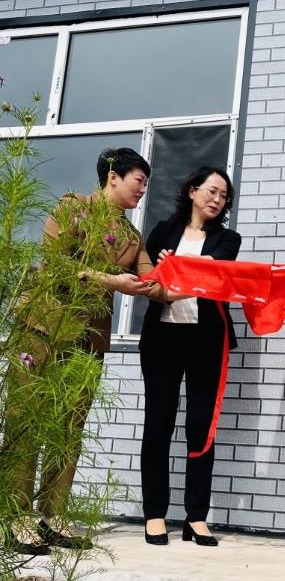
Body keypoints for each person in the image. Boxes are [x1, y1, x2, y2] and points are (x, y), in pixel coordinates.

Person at [1, 147, 169, 555]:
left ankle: (52, 517)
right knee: (28, 419)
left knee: (68, 429)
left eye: (146, 183)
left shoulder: (131, 237)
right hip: (43, 327)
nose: (142, 190)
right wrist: (113, 281)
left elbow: (154, 285)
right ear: (113, 177)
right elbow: (56, 265)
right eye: (139, 181)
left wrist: (182, 274)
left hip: (88, 341)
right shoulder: (72, 206)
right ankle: (15, 518)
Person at [139, 167, 241, 547]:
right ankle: (155, 514)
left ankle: (196, 517)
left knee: (201, 428)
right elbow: (148, 279)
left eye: (224, 196)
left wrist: (175, 266)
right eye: (212, 191)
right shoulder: (163, 231)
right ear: (193, 191)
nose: (217, 200)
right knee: (158, 425)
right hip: (162, 339)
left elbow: (212, 273)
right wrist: (164, 267)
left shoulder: (227, 239)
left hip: (205, 341)